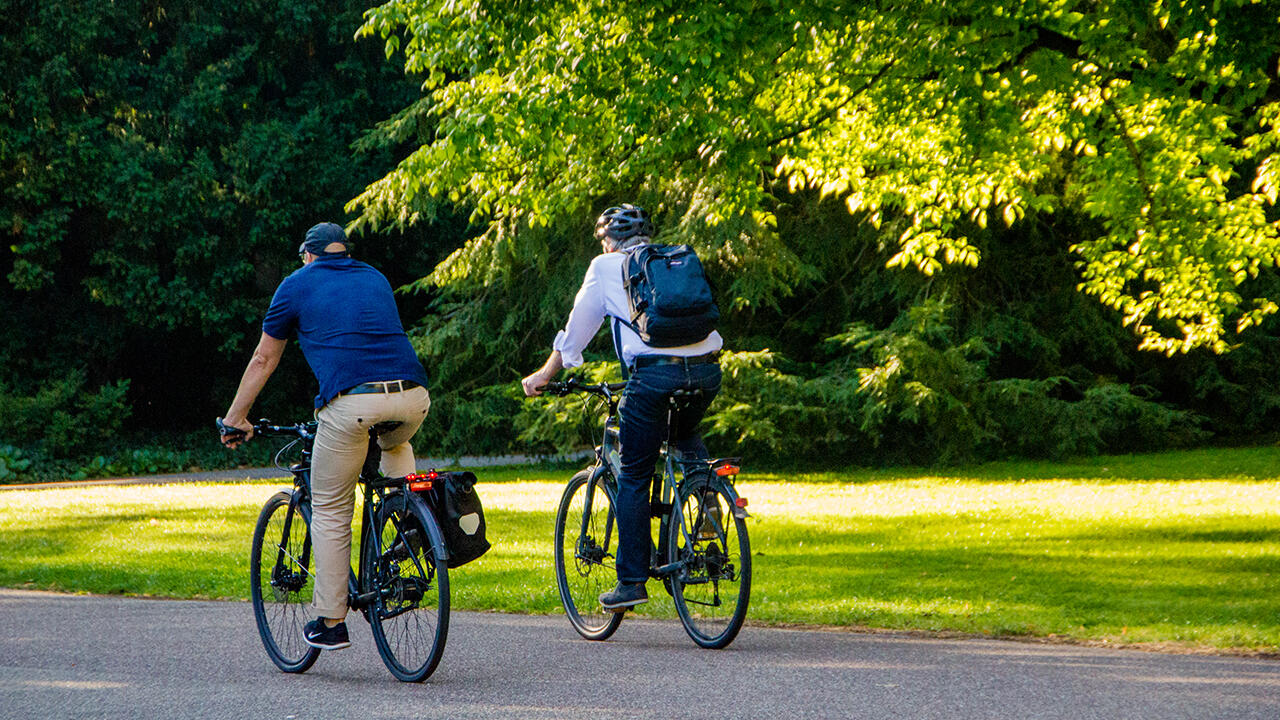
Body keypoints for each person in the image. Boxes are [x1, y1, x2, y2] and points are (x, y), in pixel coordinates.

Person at [220, 221, 430, 650]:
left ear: (309, 255)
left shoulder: (296, 285)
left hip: (351, 403)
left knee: (332, 506)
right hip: (414, 396)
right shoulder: (374, 276)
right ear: (344, 252)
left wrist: (236, 417)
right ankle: (407, 519)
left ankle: (331, 622)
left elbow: (263, 358)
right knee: (396, 441)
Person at [522, 204, 722, 611]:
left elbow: (577, 332)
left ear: (608, 239)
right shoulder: (673, 260)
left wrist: (545, 375)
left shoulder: (606, 266)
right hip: (705, 372)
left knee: (633, 473)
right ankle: (708, 503)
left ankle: (631, 582)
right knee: (685, 435)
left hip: (652, 377)